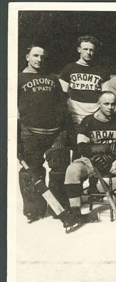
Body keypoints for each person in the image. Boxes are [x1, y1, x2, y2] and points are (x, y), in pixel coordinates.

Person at [64, 91, 116, 226]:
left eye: (113, 104)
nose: (110, 107)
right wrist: (105, 149)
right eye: (106, 104)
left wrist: (109, 157)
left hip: (114, 160)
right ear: (98, 104)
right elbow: (82, 148)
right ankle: (75, 212)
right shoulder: (88, 121)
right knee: (72, 169)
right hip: (91, 160)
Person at [18, 45, 70, 221]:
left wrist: (64, 127)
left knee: (60, 169)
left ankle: (58, 208)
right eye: (35, 55)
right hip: (30, 132)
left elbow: (62, 105)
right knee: (32, 171)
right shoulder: (18, 79)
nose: (39, 59)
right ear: (27, 57)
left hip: (55, 132)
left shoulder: (52, 78)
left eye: (42, 56)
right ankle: (34, 210)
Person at [59, 35, 109, 153]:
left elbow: (106, 96)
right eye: (85, 49)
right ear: (79, 50)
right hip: (75, 115)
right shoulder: (69, 68)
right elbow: (62, 95)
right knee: (78, 149)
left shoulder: (102, 70)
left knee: (94, 149)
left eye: (91, 50)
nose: (88, 52)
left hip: (94, 115)